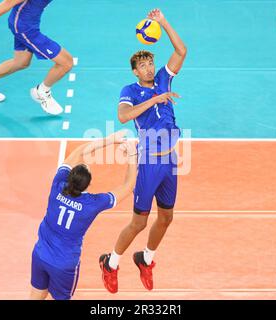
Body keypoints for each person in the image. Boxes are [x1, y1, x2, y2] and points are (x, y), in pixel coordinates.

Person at [99, 8, 187, 293]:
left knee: (166, 217)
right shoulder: (130, 90)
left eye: (151, 62)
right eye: (144, 65)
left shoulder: (164, 78)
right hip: (149, 162)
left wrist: (163, 22)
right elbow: (124, 116)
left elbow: (182, 50)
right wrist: (155, 99)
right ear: (136, 72)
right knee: (138, 222)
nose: (149, 68)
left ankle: (146, 258)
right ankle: (110, 263)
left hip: (170, 160)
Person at [30, 131, 137, 300]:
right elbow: (128, 186)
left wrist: (108, 140)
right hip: (64, 264)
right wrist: (132, 156)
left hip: (40, 254)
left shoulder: (58, 184)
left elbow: (79, 152)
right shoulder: (92, 204)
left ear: (69, 176)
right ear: (88, 185)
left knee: (35, 296)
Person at [0, 0, 73, 115]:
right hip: (25, 29)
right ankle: (41, 91)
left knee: (20, 62)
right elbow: (8, 2)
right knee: (66, 63)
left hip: (29, 23)